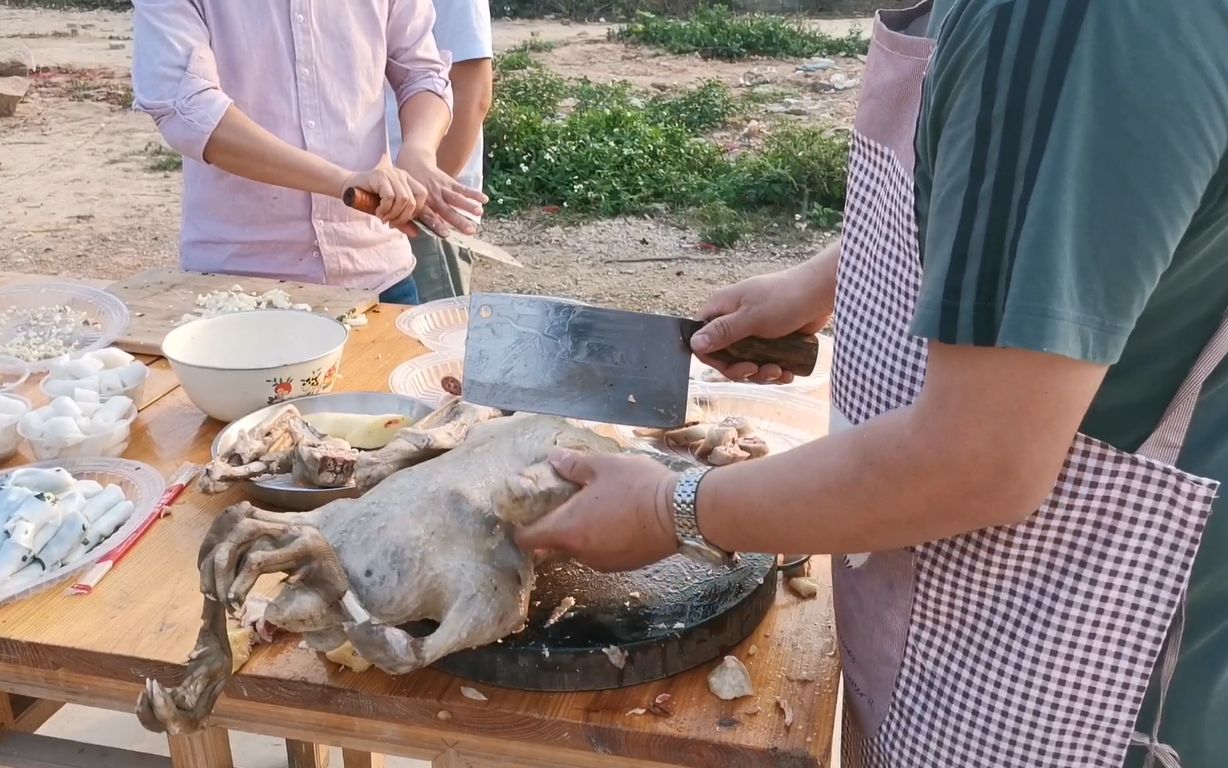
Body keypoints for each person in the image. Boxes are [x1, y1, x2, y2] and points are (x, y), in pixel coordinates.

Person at [515, 1, 1228, 767]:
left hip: (1068, 668)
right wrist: (828, 277)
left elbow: (977, 461)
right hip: (941, 618)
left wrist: (672, 508)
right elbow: (1004, 186)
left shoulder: (1077, 24)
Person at [130, 0, 487, 306]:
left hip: (378, 274)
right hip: (240, 282)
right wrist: (342, 181)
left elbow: (421, 72)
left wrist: (420, 151)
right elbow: (188, 107)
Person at [386, 0, 493, 303]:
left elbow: (473, 92)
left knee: (431, 336)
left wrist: (427, 198)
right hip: (371, 197)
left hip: (424, 205)